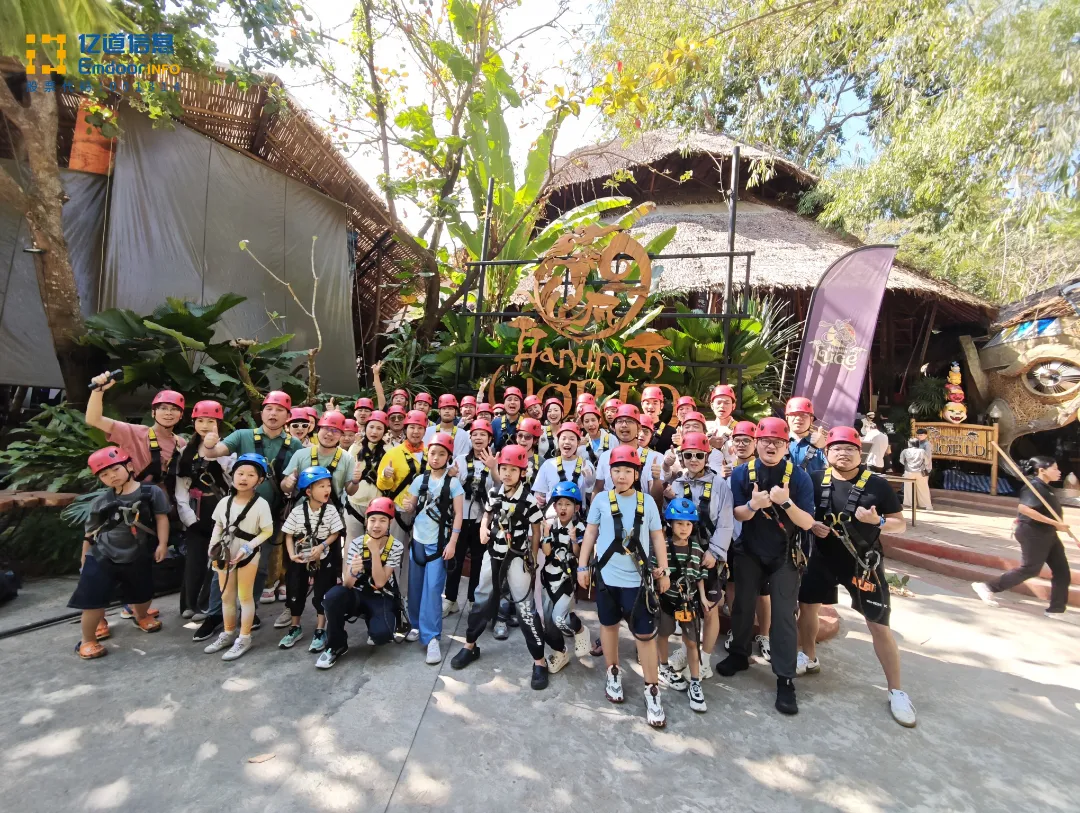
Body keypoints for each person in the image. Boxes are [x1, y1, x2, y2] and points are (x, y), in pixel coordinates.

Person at [798, 426, 917, 727]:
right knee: (807, 607)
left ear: (859, 453)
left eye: (849, 448)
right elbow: (800, 512)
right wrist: (812, 525)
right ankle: (809, 657)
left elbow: (899, 525)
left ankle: (897, 691)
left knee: (878, 625)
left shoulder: (877, 485)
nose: (843, 452)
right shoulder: (813, 480)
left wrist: (877, 521)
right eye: (836, 448)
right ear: (827, 453)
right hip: (822, 559)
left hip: (862, 563)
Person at [719, 417, 816, 716]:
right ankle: (739, 654)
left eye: (778, 442)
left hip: (785, 555)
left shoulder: (799, 478)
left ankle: (785, 677)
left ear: (786, 446)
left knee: (784, 614)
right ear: (756, 443)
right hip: (749, 551)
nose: (771, 446)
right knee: (743, 605)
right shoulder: (740, 474)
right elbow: (736, 514)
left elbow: (808, 522)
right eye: (765, 441)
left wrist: (786, 503)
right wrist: (753, 505)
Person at [577, 444, 670, 727]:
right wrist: (582, 566)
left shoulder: (647, 502)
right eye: (616, 470)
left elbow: (656, 537)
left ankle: (652, 688)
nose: (620, 476)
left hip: (637, 581)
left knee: (644, 635)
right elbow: (591, 533)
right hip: (607, 576)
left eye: (626, 471)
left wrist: (663, 570)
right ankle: (613, 670)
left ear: (635, 473)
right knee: (608, 625)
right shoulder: (601, 501)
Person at [85, 373, 187, 619]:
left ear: (181, 415)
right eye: (162, 408)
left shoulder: (181, 443)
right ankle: (97, 614)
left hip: (158, 506)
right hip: (128, 503)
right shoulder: (135, 432)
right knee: (118, 558)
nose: (168, 413)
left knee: (144, 558)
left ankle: (135, 603)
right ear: (153, 413)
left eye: (174, 409)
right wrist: (98, 390)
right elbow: (94, 419)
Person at [451, 445, 551, 690]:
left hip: (517, 557)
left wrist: (533, 556)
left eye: (512, 470)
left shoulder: (528, 500)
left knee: (525, 606)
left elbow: (536, 528)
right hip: (492, 554)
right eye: (503, 468)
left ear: (522, 473)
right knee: (481, 599)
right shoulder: (495, 492)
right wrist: (484, 527)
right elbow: (488, 514)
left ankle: (539, 660)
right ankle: (470, 645)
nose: (506, 474)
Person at [199, 391, 297, 638]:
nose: (273, 414)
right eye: (269, 409)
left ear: (287, 415)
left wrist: (289, 484)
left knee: (260, 567)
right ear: (261, 412)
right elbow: (213, 452)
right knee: (222, 564)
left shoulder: (294, 445)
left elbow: (292, 481)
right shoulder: (243, 436)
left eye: (279, 410)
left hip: (269, 515)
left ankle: (246, 613)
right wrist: (210, 443)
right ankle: (214, 615)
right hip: (236, 514)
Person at [70, 447, 169, 659]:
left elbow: (162, 517)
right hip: (103, 554)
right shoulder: (101, 502)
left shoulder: (151, 493)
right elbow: (89, 533)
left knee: (143, 593)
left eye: (115, 469)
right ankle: (88, 640)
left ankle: (140, 616)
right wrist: (84, 559)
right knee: (93, 600)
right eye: (104, 474)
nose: (111, 476)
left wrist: (162, 544)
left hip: (137, 552)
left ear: (129, 466)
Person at [664, 432, 734, 679]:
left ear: (707, 457)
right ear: (682, 458)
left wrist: (715, 551)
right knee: (688, 603)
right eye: (689, 455)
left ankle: (704, 659)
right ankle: (687, 649)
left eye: (699, 456)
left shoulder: (720, 485)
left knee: (710, 607)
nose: (694, 460)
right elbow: (670, 520)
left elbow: (726, 522)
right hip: (683, 554)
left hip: (708, 553)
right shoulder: (677, 483)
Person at [973, 455, 1073, 618]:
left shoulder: (1046, 487)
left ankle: (1057, 610)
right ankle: (988, 587)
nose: (1059, 472)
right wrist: (1055, 523)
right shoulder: (1033, 487)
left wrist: (1056, 525)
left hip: (1048, 533)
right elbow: (1025, 509)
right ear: (1042, 470)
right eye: (1054, 468)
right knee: (1030, 569)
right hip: (1033, 532)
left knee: (1062, 570)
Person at [202, 454, 276, 660]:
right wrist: (212, 547)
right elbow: (218, 525)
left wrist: (249, 547)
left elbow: (267, 531)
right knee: (226, 595)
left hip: (247, 555)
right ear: (232, 475)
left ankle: (244, 637)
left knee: (245, 597)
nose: (244, 478)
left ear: (260, 480)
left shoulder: (261, 504)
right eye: (240, 473)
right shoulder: (225, 501)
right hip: (224, 552)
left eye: (251, 474)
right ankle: (228, 632)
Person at [317, 498, 405, 668]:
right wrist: (352, 571)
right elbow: (347, 585)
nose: (376, 525)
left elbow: (380, 582)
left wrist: (374, 551)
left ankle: (373, 621)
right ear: (366, 521)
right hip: (357, 593)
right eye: (372, 520)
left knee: (382, 635)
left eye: (382, 520)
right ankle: (336, 645)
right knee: (332, 598)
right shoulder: (356, 544)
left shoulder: (396, 546)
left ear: (390, 523)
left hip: (381, 596)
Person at [402, 432, 464, 664]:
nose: (435, 458)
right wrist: (409, 504)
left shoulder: (454, 483)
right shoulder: (420, 480)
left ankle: (432, 637)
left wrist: (453, 543)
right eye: (432, 453)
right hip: (418, 540)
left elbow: (458, 515)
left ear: (448, 456)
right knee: (415, 587)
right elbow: (411, 506)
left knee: (433, 589)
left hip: (439, 544)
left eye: (441, 454)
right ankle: (416, 625)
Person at [174, 401, 233, 619]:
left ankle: (208, 604)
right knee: (195, 559)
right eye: (201, 421)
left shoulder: (226, 448)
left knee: (218, 557)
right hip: (195, 509)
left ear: (219, 423)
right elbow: (181, 488)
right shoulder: (185, 451)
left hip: (220, 508)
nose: (205, 425)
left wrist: (216, 451)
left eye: (211, 421)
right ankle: (189, 605)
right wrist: (188, 518)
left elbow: (233, 478)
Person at [278, 466, 344, 652]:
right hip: (300, 555)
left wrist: (322, 546)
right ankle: (295, 627)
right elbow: (288, 535)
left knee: (323, 590)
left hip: (323, 555)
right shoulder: (298, 512)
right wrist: (292, 555)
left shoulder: (330, 511)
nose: (327, 490)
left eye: (328, 485)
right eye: (321, 486)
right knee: (295, 590)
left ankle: (320, 629)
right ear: (308, 491)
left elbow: (336, 533)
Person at [656, 498, 710, 713]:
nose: (684, 528)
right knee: (663, 633)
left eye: (688, 524)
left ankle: (695, 681)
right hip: (667, 600)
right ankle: (663, 666)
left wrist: (703, 597)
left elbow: (699, 576)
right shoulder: (663, 547)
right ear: (670, 523)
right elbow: (655, 568)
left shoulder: (696, 548)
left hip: (689, 602)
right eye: (679, 523)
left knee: (692, 641)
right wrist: (657, 574)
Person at [443, 418, 497, 616]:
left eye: (483, 434)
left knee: (478, 561)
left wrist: (493, 467)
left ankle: (475, 599)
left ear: (489, 438)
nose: (478, 438)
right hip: (460, 517)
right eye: (475, 434)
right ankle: (450, 599)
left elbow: (500, 486)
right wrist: (453, 476)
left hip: (481, 519)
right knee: (454, 560)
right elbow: (449, 487)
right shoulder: (460, 459)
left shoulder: (494, 460)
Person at [539, 481, 591, 675]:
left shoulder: (580, 527)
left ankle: (579, 630)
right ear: (554, 506)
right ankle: (560, 652)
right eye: (559, 504)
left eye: (567, 504)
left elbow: (580, 555)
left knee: (559, 619)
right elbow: (547, 552)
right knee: (548, 622)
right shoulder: (551, 525)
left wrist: (573, 539)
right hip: (549, 578)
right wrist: (545, 534)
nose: (563, 508)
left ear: (576, 507)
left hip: (565, 580)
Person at [281, 411, 359, 511]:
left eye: (336, 431)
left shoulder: (347, 458)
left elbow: (350, 491)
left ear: (341, 435)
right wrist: (288, 483)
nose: (330, 434)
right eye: (326, 428)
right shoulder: (300, 454)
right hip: (300, 514)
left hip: (331, 517)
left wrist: (355, 482)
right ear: (318, 430)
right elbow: (285, 487)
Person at [376, 409, 429, 545]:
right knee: (396, 550)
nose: (416, 431)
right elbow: (382, 485)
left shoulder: (430, 453)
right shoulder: (393, 453)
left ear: (425, 430)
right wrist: (385, 476)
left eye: (420, 428)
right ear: (405, 429)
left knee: (418, 552)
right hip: (400, 509)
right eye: (412, 427)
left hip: (424, 509)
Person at [594, 404, 663, 505]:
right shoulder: (605, 457)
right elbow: (597, 491)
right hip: (610, 515)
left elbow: (656, 500)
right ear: (613, 427)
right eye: (620, 421)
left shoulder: (654, 458)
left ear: (639, 427)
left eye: (629, 421)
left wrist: (656, 480)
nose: (624, 425)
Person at [344, 410, 389, 543]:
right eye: (371, 427)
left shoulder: (389, 450)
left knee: (375, 542)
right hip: (355, 503)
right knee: (352, 542)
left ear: (384, 431)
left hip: (378, 504)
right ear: (366, 428)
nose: (374, 432)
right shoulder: (355, 447)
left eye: (379, 428)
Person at [533, 422, 596, 510]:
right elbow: (539, 497)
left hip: (577, 518)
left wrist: (589, 477)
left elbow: (591, 491)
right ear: (558, 441)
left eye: (572, 439)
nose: (567, 442)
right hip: (552, 518)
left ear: (578, 442)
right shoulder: (548, 465)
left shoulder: (586, 465)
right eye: (563, 438)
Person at [785, 397, 827, 473]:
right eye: (793, 414)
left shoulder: (820, 444)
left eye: (803, 415)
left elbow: (833, 471)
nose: (798, 418)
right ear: (787, 417)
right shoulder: (779, 442)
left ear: (811, 419)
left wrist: (824, 448)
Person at [898, 437, 933, 510]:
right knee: (923, 489)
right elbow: (927, 461)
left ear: (909, 443)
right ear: (918, 444)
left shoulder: (905, 451)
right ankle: (926, 505)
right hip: (920, 472)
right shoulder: (922, 451)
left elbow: (901, 461)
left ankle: (911, 505)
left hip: (908, 472)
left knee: (909, 489)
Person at [641, 386, 676, 453]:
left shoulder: (671, 432)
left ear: (661, 406)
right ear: (642, 405)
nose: (650, 407)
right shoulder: (635, 428)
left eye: (655, 403)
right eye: (647, 403)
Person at [578, 403, 611, 467]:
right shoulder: (582, 445)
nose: (590, 424)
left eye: (593, 420)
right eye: (587, 421)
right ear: (582, 424)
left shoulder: (611, 439)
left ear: (599, 421)